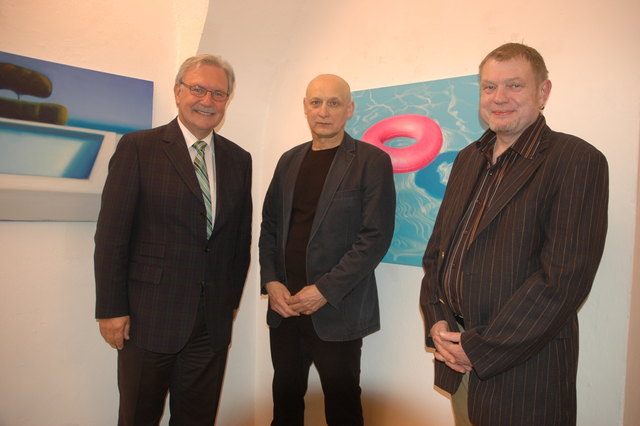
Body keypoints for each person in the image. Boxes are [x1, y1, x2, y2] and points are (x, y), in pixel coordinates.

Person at [420, 42, 609, 426]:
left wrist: (480, 348)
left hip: (524, 368)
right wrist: (437, 320)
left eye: (514, 86)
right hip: (457, 358)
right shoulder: (466, 159)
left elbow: (562, 282)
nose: (499, 97)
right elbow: (438, 251)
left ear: (543, 92)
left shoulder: (576, 161)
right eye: (489, 87)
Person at [94, 54, 252, 425]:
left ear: (227, 100)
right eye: (198, 89)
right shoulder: (138, 148)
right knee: (138, 417)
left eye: (218, 93)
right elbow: (112, 235)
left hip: (210, 325)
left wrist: (229, 302)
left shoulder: (238, 159)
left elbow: (238, 239)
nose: (207, 100)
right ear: (178, 91)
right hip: (148, 319)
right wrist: (111, 309)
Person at [259, 74, 396, 425]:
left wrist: (323, 291)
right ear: (305, 107)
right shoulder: (288, 161)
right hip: (285, 309)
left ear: (349, 109)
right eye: (315, 102)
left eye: (333, 103)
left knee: (343, 408)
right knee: (285, 403)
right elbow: (270, 227)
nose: (323, 111)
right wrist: (271, 282)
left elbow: (374, 238)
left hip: (337, 311)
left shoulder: (371, 161)